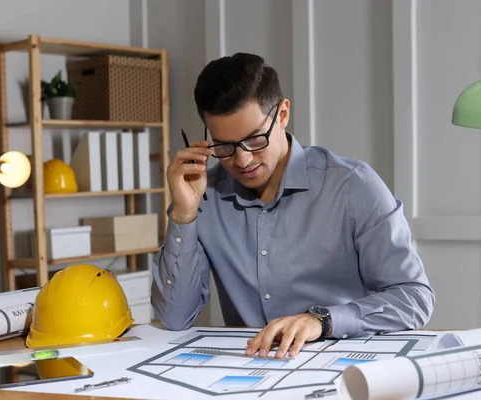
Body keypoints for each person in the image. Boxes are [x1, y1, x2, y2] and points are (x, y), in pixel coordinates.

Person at [151, 53, 435, 360]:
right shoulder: (204, 193)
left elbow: (414, 298)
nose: (242, 160)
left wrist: (323, 321)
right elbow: (174, 318)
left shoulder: (354, 186)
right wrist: (183, 214)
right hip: (246, 373)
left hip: (343, 370)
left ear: (283, 114)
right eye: (224, 146)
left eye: (255, 139)